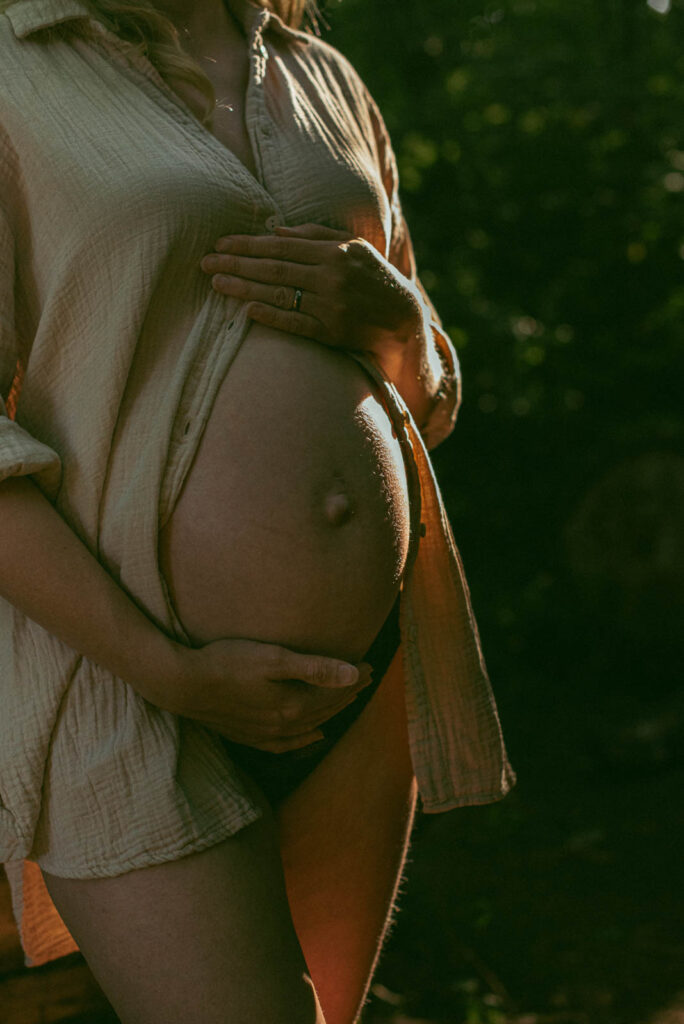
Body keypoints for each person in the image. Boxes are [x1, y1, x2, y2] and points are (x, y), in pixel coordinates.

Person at [0, 0, 516, 1020]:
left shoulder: (322, 76)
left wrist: (398, 325)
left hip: (356, 686)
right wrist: (172, 672)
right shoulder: (16, 68)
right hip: (128, 688)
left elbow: (428, 387)